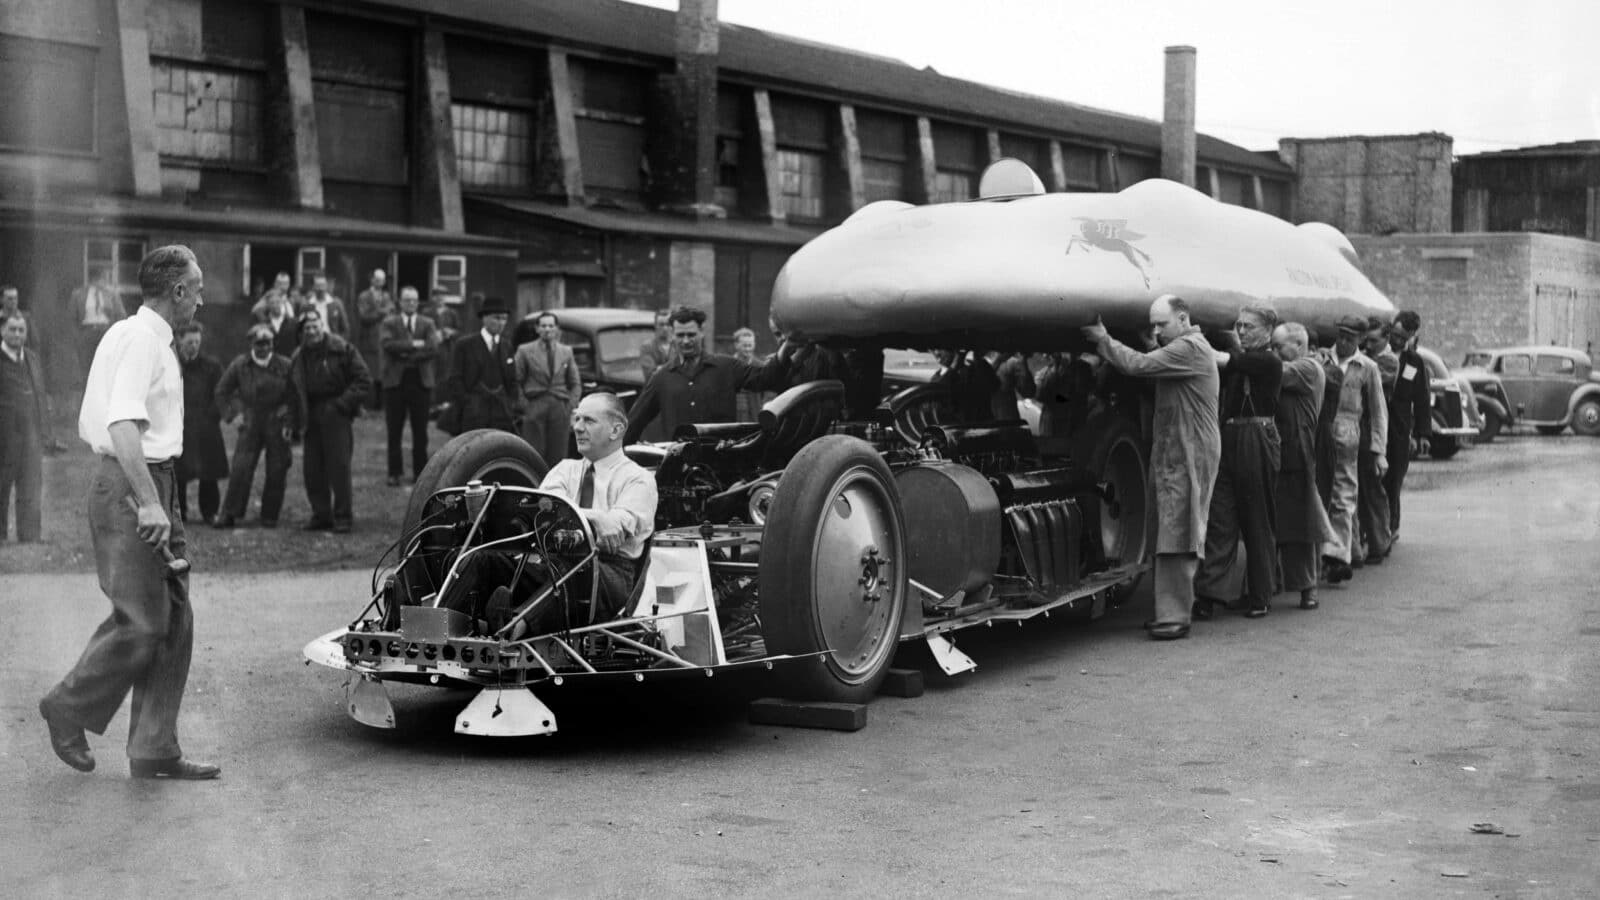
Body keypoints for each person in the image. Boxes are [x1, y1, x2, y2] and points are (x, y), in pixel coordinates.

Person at [40, 244, 220, 780]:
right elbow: (121, 425)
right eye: (199, 288)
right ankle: (67, 706)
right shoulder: (141, 340)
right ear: (178, 291)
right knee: (143, 623)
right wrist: (149, 503)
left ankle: (153, 748)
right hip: (132, 484)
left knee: (174, 619)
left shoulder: (132, 333)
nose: (203, 300)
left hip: (150, 481)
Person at [1082, 295, 1220, 641]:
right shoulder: (1184, 346)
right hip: (1175, 449)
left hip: (1189, 451)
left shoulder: (1189, 348)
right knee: (1167, 528)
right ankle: (1167, 610)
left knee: (1178, 531)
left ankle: (1175, 617)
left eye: (1162, 324)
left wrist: (1102, 338)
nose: (1156, 331)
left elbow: (1138, 366)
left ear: (1184, 318)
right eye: (1153, 325)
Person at [536, 392, 658, 626]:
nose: (578, 428)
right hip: (555, 563)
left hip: (611, 572)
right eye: (577, 419)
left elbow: (613, 530)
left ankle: (507, 636)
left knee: (570, 568)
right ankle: (455, 633)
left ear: (616, 430)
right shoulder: (564, 469)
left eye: (589, 421)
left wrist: (592, 521)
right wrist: (596, 517)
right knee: (490, 561)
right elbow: (544, 515)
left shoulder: (638, 479)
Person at [1193, 303, 1283, 619]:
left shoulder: (1268, 361)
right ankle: (1209, 594)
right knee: (1221, 517)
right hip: (1230, 435)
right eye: (1239, 326)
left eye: (1250, 327)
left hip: (1257, 437)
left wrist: (1191, 337)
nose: (1242, 331)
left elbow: (1227, 360)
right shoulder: (1245, 359)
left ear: (1269, 331)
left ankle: (1260, 595)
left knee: (1257, 518)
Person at [623, 305, 794, 444]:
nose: (685, 341)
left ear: (702, 332)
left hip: (723, 465)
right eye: (680, 335)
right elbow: (633, 423)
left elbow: (765, 377)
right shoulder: (661, 378)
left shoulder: (726, 367)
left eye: (691, 335)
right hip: (678, 470)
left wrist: (788, 347)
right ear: (673, 336)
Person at [286, 308, 372, 532]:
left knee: (339, 467)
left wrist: (342, 405)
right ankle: (321, 515)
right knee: (312, 469)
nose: (312, 331)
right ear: (301, 332)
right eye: (307, 328)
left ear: (322, 326)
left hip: (336, 414)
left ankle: (343, 517)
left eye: (316, 326)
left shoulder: (342, 349)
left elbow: (364, 380)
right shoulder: (298, 356)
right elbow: (293, 393)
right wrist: (292, 423)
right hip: (310, 414)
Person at [1320, 315, 1388, 584]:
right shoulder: (1322, 359)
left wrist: (1378, 450)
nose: (1344, 341)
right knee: (1320, 492)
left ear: (1360, 340)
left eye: (1351, 337)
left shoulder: (1367, 367)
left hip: (1348, 432)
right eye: (1341, 335)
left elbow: (1378, 411)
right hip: (1320, 428)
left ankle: (1338, 557)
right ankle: (1331, 553)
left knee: (1344, 494)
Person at [1270, 322, 1333, 610]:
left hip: (1299, 451)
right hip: (1284, 448)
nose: (1274, 352)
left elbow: (1274, 372)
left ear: (1298, 345)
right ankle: (1274, 582)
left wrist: (1240, 351)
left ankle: (1309, 587)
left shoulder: (1308, 368)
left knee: (1301, 523)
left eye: (1277, 346)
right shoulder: (1303, 366)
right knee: (1276, 521)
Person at [214, 324, 293, 529]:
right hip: (251, 421)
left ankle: (270, 515)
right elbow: (222, 391)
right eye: (259, 343)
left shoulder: (285, 365)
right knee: (241, 468)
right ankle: (230, 513)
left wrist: (288, 417)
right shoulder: (240, 365)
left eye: (268, 343)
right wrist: (232, 415)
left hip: (276, 421)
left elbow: (296, 394)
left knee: (278, 468)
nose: (264, 348)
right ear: (251, 344)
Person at [379, 286, 441, 485]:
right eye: (407, 300)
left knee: (420, 430)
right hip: (395, 382)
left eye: (414, 300)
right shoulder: (389, 322)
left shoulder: (427, 323)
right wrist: (415, 344)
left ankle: (420, 473)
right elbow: (388, 345)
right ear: (400, 302)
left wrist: (405, 352)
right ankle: (394, 472)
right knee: (394, 429)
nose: (411, 304)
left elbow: (432, 348)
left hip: (420, 381)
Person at [0, 310, 51, 542]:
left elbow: (40, 396)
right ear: (2, 330)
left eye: (21, 330)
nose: (17, 334)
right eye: (12, 329)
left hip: (31, 436)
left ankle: (29, 536)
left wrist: (45, 433)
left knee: (30, 487)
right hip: (4, 437)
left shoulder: (31, 358)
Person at [173, 323, 227, 526]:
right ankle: (179, 512)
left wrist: (211, 416)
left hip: (205, 426)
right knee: (179, 472)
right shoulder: (172, 364)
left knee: (208, 472)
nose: (193, 346)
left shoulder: (211, 366)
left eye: (197, 342)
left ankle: (210, 511)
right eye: (189, 342)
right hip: (180, 425)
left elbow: (221, 393)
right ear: (179, 340)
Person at [1384, 311, 1431, 542]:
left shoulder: (1415, 362)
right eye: (1395, 335)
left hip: (1400, 430)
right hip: (1377, 425)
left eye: (1403, 338)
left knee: (1395, 478)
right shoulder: (1377, 352)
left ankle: (1392, 526)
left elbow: (1422, 399)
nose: (1396, 341)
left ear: (1412, 336)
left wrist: (1423, 434)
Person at [1355, 316, 1398, 564]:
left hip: (1375, 430)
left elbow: (1370, 383)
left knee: (1373, 490)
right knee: (1365, 489)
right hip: (1364, 429)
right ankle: (1373, 540)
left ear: (1386, 339)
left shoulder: (1387, 362)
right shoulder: (1370, 359)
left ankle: (1380, 543)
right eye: (1366, 340)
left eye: (1374, 340)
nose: (1369, 345)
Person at [441, 295, 518, 433]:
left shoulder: (507, 346)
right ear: (484, 318)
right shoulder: (465, 345)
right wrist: (467, 402)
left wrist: (510, 403)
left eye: (504, 319)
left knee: (499, 450)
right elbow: (454, 378)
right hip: (473, 412)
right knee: (474, 451)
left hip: (501, 412)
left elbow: (512, 380)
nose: (501, 323)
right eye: (497, 318)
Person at [514, 310, 581, 464]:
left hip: (559, 407)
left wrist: (569, 406)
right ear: (537, 329)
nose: (547, 329)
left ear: (557, 329)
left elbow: (575, 383)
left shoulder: (566, 351)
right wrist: (525, 406)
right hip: (535, 406)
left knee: (558, 455)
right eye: (543, 326)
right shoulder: (525, 351)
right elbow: (515, 381)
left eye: (551, 326)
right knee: (533, 454)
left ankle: (554, 487)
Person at [73, 267, 124, 379]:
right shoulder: (78, 294)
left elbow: (121, 316)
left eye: (101, 279)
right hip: (86, 333)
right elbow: (72, 318)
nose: (99, 282)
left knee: (105, 368)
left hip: (106, 332)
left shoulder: (111, 295)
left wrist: (115, 335)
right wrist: (78, 337)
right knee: (87, 369)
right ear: (91, 280)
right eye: (96, 279)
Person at [354, 268, 393, 411]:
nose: (379, 283)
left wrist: (381, 313)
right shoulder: (364, 296)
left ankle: (380, 405)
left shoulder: (387, 296)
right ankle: (367, 404)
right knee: (369, 372)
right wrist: (382, 312)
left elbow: (392, 313)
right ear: (372, 280)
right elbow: (364, 317)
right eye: (377, 279)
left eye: (382, 280)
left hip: (383, 340)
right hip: (369, 340)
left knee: (383, 373)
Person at [931, 349, 1002, 422]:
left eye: (941, 349)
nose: (936, 353)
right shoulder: (937, 377)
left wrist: (977, 358)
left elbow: (994, 385)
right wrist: (954, 367)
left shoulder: (976, 367)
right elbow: (941, 393)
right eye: (932, 350)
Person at [253, 277, 300, 359]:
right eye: (272, 303)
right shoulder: (264, 323)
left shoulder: (291, 322)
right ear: (268, 305)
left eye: (277, 302)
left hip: (289, 360)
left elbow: (299, 342)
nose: (275, 305)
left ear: (282, 302)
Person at [731, 326, 768, 422]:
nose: (748, 349)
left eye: (750, 345)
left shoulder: (760, 366)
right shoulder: (729, 365)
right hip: (735, 414)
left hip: (755, 413)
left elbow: (765, 394)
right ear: (736, 345)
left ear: (754, 344)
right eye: (744, 346)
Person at [299, 274, 351, 339]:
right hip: (312, 342)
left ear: (326, 286)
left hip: (332, 342)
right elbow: (300, 328)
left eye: (322, 285)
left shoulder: (336, 303)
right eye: (318, 286)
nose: (320, 289)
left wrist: (340, 343)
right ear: (313, 287)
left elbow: (345, 328)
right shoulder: (306, 305)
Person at [993, 352, 1038, 421]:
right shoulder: (1014, 362)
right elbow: (1028, 392)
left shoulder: (991, 360)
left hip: (988, 413)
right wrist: (1023, 360)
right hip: (1006, 414)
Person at [638, 307, 675, 381]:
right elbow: (651, 373)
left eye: (668, 325)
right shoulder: (647, 347)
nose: (665, 328)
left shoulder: (677, 345)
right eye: (661, 324)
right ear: (655, 326)